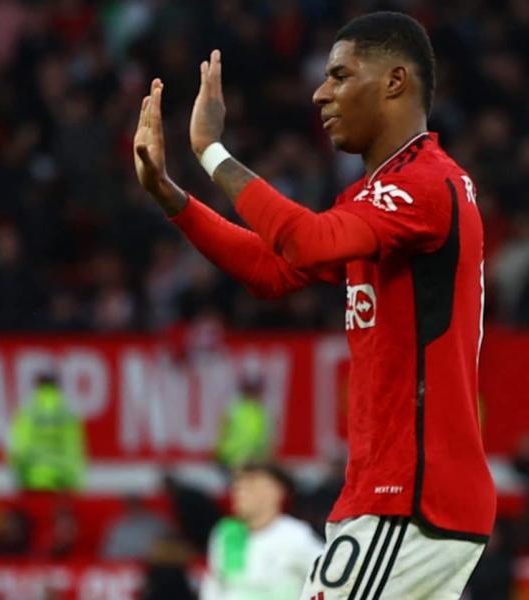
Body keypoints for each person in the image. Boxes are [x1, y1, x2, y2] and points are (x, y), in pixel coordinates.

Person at [133, 11, 495, 599]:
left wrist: (210, 151)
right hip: (404, 497)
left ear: (394, 82)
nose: (319, 92)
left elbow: (306, 240)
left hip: (407, 498)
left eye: (340, 75)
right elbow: (272, 269)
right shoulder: (382, 197)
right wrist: (172, 197)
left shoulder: (426, 184)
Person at [200, 462, 322, 600]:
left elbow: (329, 578)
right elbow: (214, 585)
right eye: (237, 486)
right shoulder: (226, 532)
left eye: (250, 486)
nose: (239, 492)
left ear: (275, 492)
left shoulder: (296, 536)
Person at [7, 373, 86, 492]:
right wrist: (76, 481)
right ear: (57, 386)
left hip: (34, 479)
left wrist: (18, 477)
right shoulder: (67, 410)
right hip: (63, 479)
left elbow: (20, 447)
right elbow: (75, 447)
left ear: (38, 385)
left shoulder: (30, 409)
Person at [216, 374, 271, 470]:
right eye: (249, 389)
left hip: (253, 462)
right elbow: (222, 432)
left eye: (255, 389)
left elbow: (265, 440)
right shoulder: (233, 408)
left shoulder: (262, 413)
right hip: (229, 460)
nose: (252, 392)